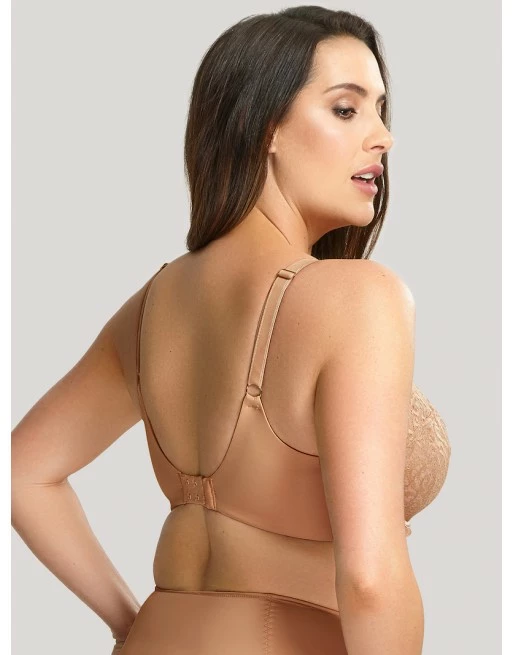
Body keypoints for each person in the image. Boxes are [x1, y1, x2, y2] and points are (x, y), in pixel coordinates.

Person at [11, 6, 452, 654]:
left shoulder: (149, 308)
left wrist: (130, 625)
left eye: (381, 111)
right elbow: (369, 579)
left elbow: (23, 472)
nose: (383, 137)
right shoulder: (357, 298)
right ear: (265, 127)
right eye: (345, 109)